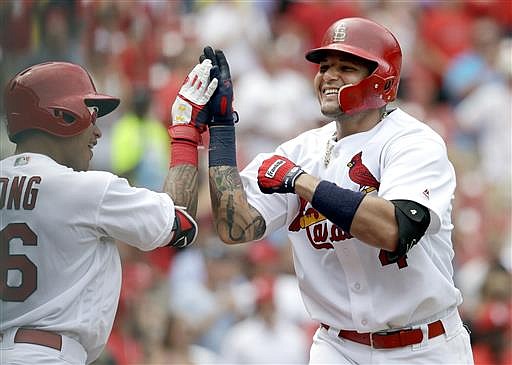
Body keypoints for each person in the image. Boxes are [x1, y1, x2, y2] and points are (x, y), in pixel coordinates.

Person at [199, 17, 474, 363]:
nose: (328, 76)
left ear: (382, 79)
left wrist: (301, 182)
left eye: (346, 67)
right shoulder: (297, 152)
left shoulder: (413, 141)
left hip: (424, 346)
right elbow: (233, 228)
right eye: (324, 66)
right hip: (338, 347)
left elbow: (394, 229)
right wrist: (222, 132)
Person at [0, 59, 216, 364]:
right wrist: (184, 131)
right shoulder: (85, 190)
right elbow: (178, 219)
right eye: (91, 115)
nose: (97, 132)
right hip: (50, 355)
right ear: (62, 115)